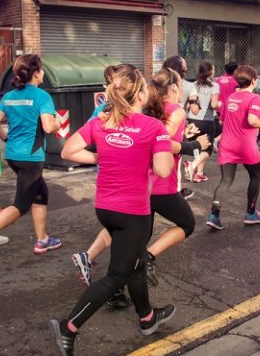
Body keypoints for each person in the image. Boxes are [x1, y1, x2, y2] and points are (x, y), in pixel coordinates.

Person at [49, 66, 175, 356]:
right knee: (118, 274)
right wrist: (164, 145)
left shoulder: (101, 121)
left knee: (134, 264)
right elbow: (163, 170)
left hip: (105, 209)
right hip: (133, 212)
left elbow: (67, 152)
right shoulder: (153, 127)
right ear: (141, 94)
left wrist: (100, 155)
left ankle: (146, 316)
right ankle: (69, 327)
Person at [73, 67, 207, 298]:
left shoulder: (141, 109)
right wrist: (193, 146)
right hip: (158, 185)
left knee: (128, 243)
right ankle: (147, 259)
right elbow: (163, 143)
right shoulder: (174, 110)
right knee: (186, 224)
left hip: (136, 186)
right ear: (175, 88)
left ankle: (119, 293)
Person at [0, 54, 60, 264]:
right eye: (42, 69)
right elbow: (48, 126)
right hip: (31, 157)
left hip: (13, 155)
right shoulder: (42, 96)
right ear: (36, 73)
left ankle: (42, 239)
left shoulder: (9, 96)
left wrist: (6, 138)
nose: (43, 73)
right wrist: (58, 124)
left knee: (40, 193)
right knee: (21, 203)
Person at [205, 65, 260, 230]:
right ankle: (251, 213)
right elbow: (253, 120)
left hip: (227, 144)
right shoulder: (255, 98)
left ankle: (214, 215)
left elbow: (222, 121)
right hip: (245, 145)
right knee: (256, 176)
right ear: (253, 81)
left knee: (226, 180)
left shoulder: (230, 98)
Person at [163, 55, 196, 200]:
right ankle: (174, 194)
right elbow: (195, 108)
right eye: (185, 69)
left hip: (171, 128)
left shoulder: (157, 83)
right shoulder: (187, 86)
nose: (186, 72)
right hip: (173, 130)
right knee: (174, 163)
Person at [184, 61, 220, 182]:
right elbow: (214, 104)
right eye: (213, 70)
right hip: (206, 121)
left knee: (198, 147)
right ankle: (192, 165)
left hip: (192, 119)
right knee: (208, 150)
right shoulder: (214, 86)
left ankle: (199, 174)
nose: (214, 72)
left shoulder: (193, 85)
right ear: (210, 72)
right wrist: (221, 103)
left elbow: (189, 105)